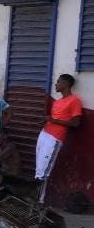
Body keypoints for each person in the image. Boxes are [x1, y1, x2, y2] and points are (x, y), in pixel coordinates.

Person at [36, 73, 83, 202]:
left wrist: (52, 120)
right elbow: (55, 118)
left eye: (58, 82)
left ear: (66, 84)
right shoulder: (57, 102)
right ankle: (36, 198)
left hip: (54, 138)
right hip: (44, 134)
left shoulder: (74, 101)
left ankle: (39, 201)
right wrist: (48, 121)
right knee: (39, 168)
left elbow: (75, 123)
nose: (56, 84)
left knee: (43, 171)